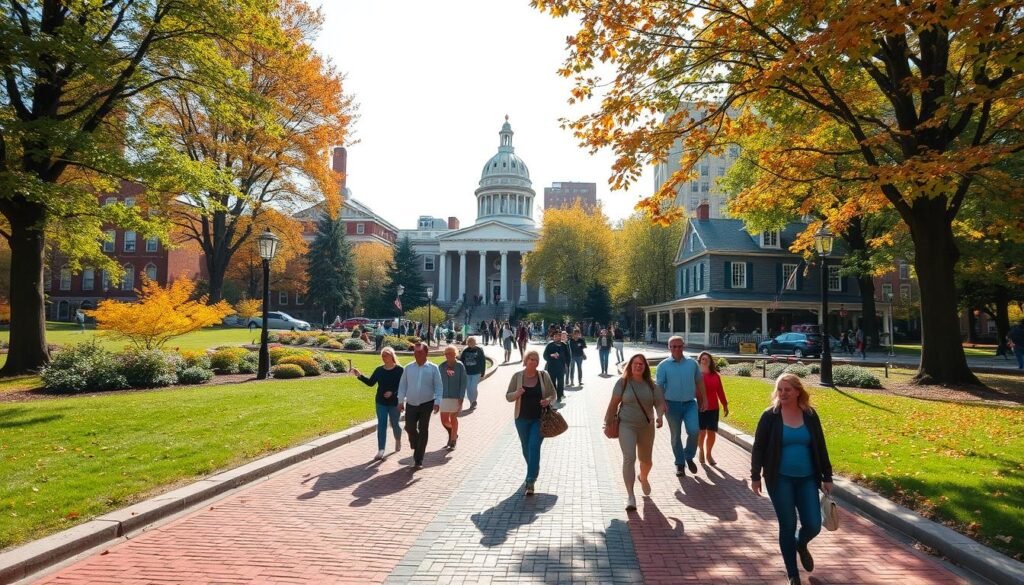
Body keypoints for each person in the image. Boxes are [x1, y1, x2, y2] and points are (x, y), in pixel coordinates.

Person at [751, 374, 834, 585]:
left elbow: (820, 446)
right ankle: (792, 574)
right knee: (787, 525)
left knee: (814, 524)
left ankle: (800, 543)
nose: (783, 393)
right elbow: (758, 447)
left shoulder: (810, 415)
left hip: (807, 479)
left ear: (798, 391)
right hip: (780, 480)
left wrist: (827, 475)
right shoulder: (770, 416)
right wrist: (755, 476)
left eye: (788, 389)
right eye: (780, 389)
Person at [605, 354, 666, 511]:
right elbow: (613, 404)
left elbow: (659, 403)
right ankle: (630, 496)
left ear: (645, 367)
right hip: (627, 425)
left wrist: (660, 416)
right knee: (629, 457)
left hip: (646, 426)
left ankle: (643, 477)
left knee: (646, 461)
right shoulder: (623, 383)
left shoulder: (652, 385)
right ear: (630, 366)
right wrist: (608, 422)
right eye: (635, 363)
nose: (638, 366)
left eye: (641, 364)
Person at [506, 349, 557, 496]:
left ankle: (530, 480)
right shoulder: (517, 376)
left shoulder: (543, 375)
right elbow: (508, 396)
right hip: (521, 419)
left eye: (536, 360)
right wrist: (517, 393)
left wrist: (547, 400)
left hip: (538, 419)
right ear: (526, 360)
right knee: (525, 447)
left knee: (534, 446)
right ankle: (533, 468)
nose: (534, 362)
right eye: (531, 359)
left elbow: (553, 394)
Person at [656, 336, 706, 477]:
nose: (677, 349)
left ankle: (688, 455)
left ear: (683, 346)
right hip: (671, 405)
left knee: (694, 430)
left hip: (690, 403)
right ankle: (680, 464)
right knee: (676, 435)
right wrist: (662, 403)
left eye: (679, 346)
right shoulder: (663, 366)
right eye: (673, 346)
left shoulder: (692, 363)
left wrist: (705, 399)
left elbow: (699, 381)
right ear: (669, 348)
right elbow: (659, 386)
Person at [397, 343, 443, 469]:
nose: (417, 355)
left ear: (426, 353)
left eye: (420, 352)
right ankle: (416, 443)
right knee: (409, 427)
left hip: (427, 403)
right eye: (415, 353)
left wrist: (437, 402)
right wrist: (400, 401)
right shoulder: (408, 368)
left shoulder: (433, 368)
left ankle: (418, 459)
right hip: (411, 403)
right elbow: (402, 386)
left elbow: (439, 386)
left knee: (423, 430)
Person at [353, 347, 404, 460]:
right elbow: (371, 383)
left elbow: (403, 386)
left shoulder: (400, 370)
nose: (384, 358)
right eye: (383, 356)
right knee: (382, 424)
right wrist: (359, 375)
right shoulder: (379, 370)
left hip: (394, 402)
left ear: (392, 356)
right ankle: (381, 449)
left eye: (386, 355)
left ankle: (398, 439)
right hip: (380, 401)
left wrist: (393, 393)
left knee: (395, 424)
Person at [696, 351, 729, 466]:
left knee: (711, 432)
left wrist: (725, 404)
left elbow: (720, 391)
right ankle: (701, 450)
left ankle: (709, 454)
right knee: (701, 432)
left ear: (710, 361)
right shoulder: (696, 375)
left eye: (707, 359)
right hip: (700, 407)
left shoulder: (715, 375)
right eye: (703, 359)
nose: (705, 361)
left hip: (714, 407)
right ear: (699, 361)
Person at [439, 345, 468, 450]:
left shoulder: (460, 366)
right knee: (444, 420)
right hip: (444, 396)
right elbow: (437, 382)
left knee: (453, 418)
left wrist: (461, 397)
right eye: (446, 354)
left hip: (456, 396)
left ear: (455, 354)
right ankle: (453, 433)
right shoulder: (441, 366)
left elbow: (463, 382)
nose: (448, 356)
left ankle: (453, 440)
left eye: (450, 354)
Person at [543, 331, 569, 405]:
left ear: (560, 337)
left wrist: (567, 364)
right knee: (552, 383)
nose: (557, 337)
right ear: (553, 337)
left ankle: (560, 396)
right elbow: (545, 356)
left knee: (560, 383)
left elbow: (568, 356)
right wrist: (551, 355)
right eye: (555, 336)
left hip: (561, 367)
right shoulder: (550, 345)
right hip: (551, 367)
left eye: (558, 336)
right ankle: (553, 396)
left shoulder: (564, 345)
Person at [460, 337, 486, 408]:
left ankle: (474, 400)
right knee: (468, 388)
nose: (471, 344)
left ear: (474, 342)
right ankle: (472, 402)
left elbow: (482, 361)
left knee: (473, 387)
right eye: (469, 342)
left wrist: (483, 372)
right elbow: (461, 362)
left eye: (472, 342)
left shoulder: (479, 350)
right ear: (468, 343)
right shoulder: (465, 350)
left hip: (476, 372)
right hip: (467, 373)